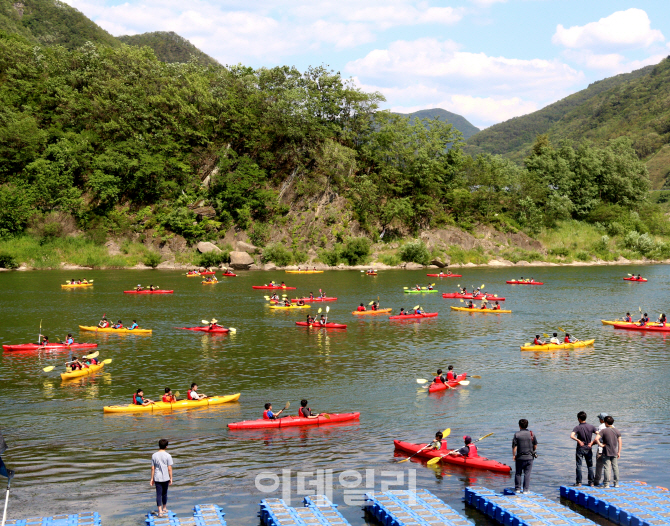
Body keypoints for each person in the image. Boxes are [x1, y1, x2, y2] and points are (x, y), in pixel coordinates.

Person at [570, 411, 598, 486]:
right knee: (590, 466)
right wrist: (592, 442)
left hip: (580, 448)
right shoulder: (591, 427)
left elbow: (572, 436)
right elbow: (599, 434)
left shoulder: (577, 427)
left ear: (579, 419)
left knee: (579, 465)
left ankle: (579, 482)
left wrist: (578, 440)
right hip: (589, 448)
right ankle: (591, 482)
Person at [512, 418, 537, 493]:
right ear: (527, 425)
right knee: (527, 474)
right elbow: (535, 445)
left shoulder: (517, 434)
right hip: (529, 457)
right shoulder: (531, 434)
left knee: (518, 473)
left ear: (519, 426)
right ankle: (525, 490)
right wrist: (533, 451)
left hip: (520, 457)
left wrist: (514, 455)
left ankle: (517, 489)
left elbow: (514, 446)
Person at [150, 439, 173, 518]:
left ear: (159, 445)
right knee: (164, 493)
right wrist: (171, 478)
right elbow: (169, 468)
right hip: (165, 477)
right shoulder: (168, 455)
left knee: (158, 494)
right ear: (166, 447)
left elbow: (153, 468)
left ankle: (160, 511)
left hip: (157, 477)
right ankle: (164, 508)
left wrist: (151, 479)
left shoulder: (154, 455)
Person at [596, 416, 621, 488]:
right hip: (614, 452)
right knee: (615, 467)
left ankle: (606, 484)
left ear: (606, 423)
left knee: (607, 467)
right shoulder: (617, 431)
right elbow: (620, 442)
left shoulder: (603, 431)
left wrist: (600, 444)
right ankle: (616, 483)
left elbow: (596, 438)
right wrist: (619, 452)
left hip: (606, 452)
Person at [594, 412, 609, 486]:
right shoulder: (612, 426)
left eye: (600, 418)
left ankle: (596, 481)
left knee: (599, 465)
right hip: (609, 448)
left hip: (601, 448)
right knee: (607, 466)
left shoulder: (600, 427)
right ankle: (607, 481)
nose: (599, 419)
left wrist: (591, 444)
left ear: (602, 419)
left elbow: (598, 438)